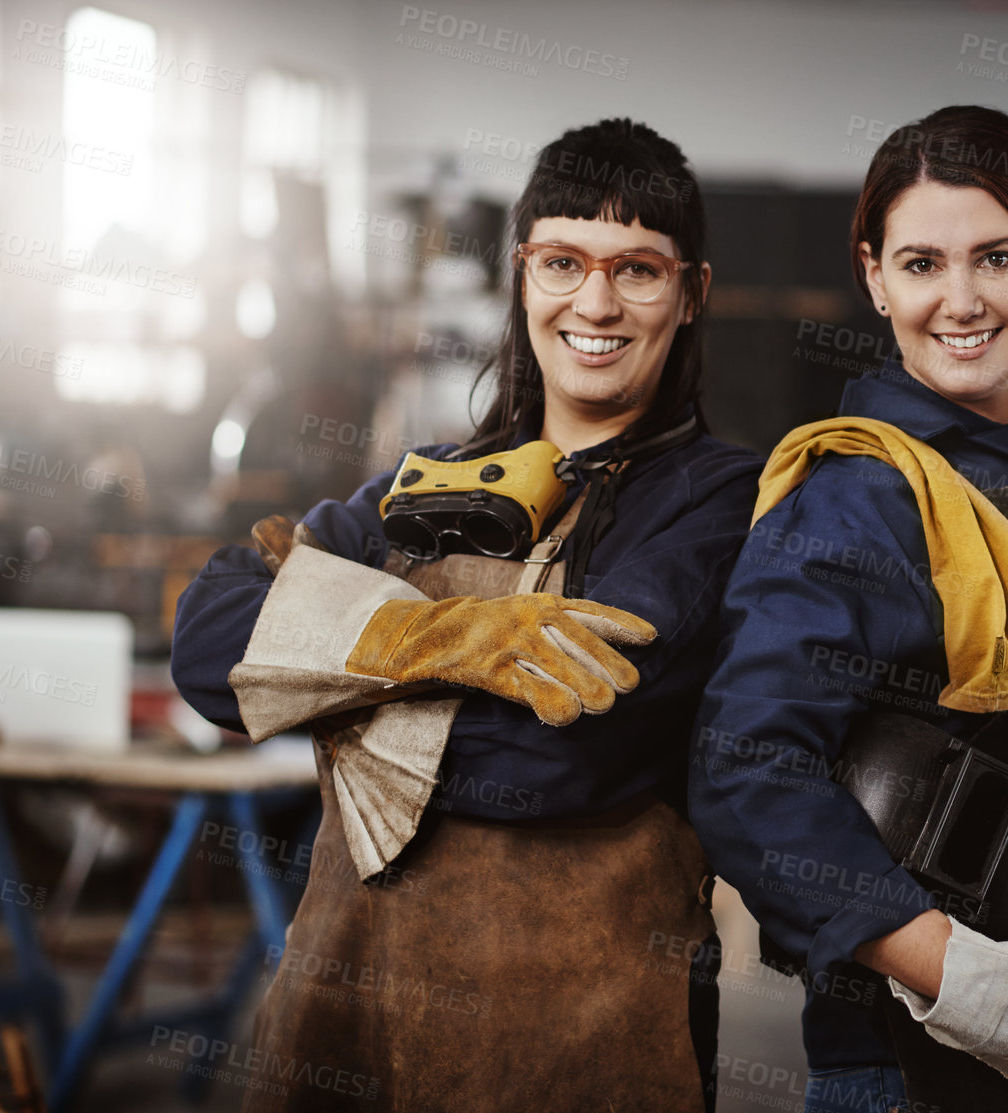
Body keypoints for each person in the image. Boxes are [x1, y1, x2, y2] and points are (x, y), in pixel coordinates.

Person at [171, 118, 760, 1112]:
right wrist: (431, 638)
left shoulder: (721, 501)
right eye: (563, 261)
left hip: (577, 1053)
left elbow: (566, 754)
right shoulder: (426, 482)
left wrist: (325, 685)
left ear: (690, 293)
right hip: (337, 1026)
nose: (596, 303)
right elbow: (206, 648)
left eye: (638, 271)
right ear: (522, 274)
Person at [690, 105, 1008, 1112]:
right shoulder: (861, 496)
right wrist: (963, 981)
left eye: (996, 257)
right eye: (922, 263)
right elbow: (745, 768)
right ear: (874, 277)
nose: (960, 299)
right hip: (930, 1064)